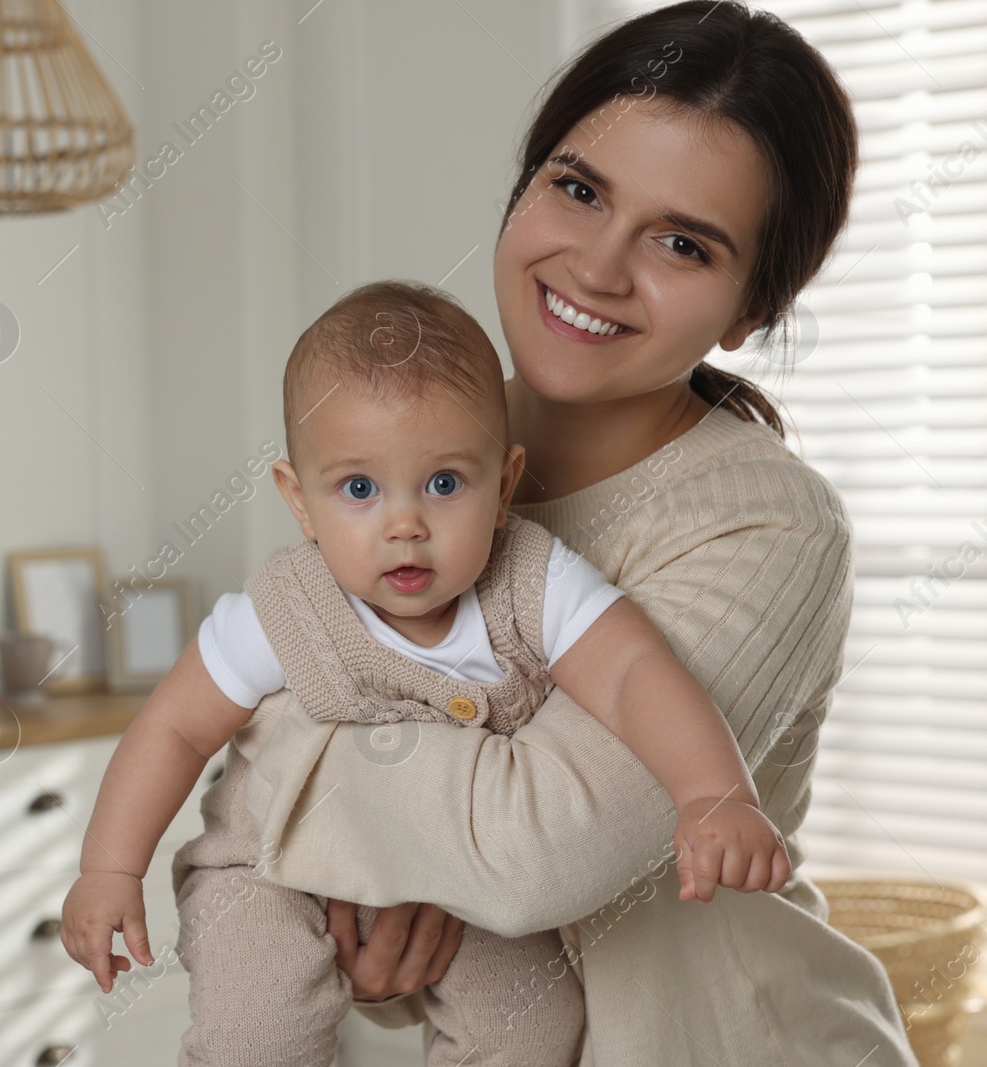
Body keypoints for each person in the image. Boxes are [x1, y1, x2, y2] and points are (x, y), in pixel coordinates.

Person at [235, 3, 919, 1064]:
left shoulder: (760, 518)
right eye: (578, 188)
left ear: (749, 311)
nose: (597, 267)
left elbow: (530, 852)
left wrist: (258, 777)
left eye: (683, 243)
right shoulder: (401, 453)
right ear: (523, 186)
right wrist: (395, 895)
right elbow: (381, 887)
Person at [60, 279, 793, 1066]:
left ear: (505, 484)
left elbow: (633, 672)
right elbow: (172, 726)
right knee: (257, 1034)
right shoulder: (282, 608)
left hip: (455, 887)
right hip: (267, 869)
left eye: (444, 484)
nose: (404, 524)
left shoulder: (534, 583)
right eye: (359, 489)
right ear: (299, 501)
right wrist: (109, 867)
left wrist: (712, 792)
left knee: (532, 1022)